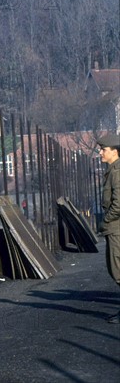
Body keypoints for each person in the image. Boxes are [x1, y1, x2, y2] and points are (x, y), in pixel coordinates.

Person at [97, 134, 120, 324]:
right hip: (114, 227)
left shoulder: (117, 172)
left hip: (116, 228)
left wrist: (105, 220)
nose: (100, 152)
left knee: (118, 270)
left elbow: (119, 204)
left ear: (115, 151)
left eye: (103, 149)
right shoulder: (112, 170)